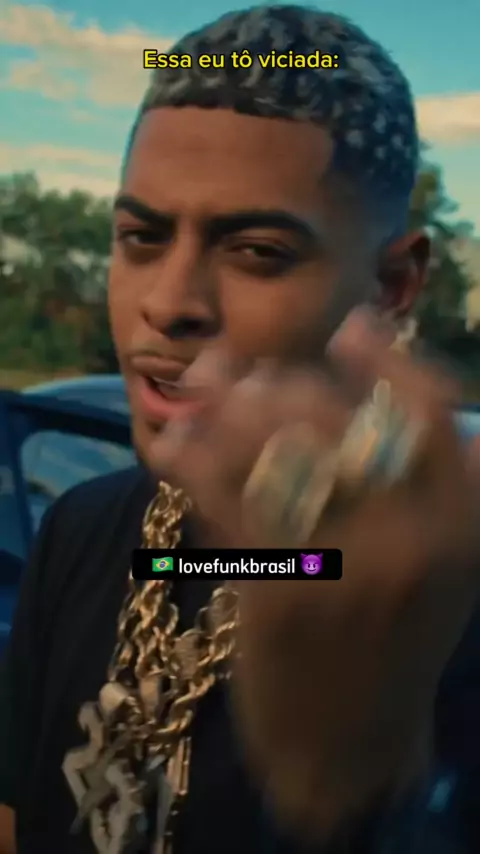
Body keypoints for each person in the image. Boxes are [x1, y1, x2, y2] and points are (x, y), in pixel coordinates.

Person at [0, 5, 479, 853]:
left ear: (392, 288)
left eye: (257, 251)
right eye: (140, 236)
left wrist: (353, 782)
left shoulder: (447, 599)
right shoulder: (79, 529)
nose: (168, 303)